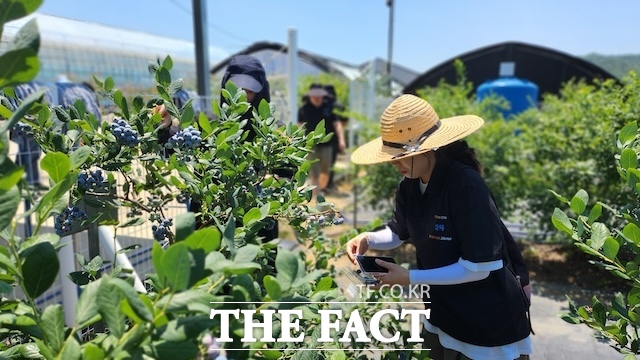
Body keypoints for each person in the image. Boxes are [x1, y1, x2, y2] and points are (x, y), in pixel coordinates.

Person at [345, 94, 532, 360]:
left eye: (400, 155)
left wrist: (409, 278)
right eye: (390, 156)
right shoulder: (410, 185)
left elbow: (478, 268)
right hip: (442, 309)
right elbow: (399, 230)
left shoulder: (464, 184)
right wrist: (369, 238)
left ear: (427, 149)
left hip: (486, 319)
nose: (393, 163)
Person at [298, 84, 346, 196]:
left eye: (318, 95)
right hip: (311, 144)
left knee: (326, 171)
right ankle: (317, 195)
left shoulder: (329, 108)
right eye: (314, 95)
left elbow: (337, 124)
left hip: (327, 144)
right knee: (313, 172)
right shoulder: (303, 109)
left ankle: (320, 190)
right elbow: (300, 126)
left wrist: (342, 140)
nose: (316, 98)